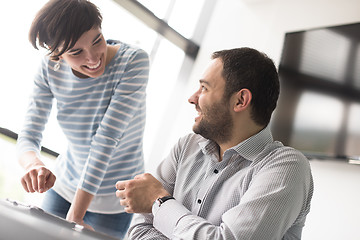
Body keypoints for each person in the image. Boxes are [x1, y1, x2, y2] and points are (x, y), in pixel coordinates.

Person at [115, 47, 314, 239]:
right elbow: (140, 228)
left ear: (240, 100)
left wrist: (159, 202)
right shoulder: (186, 146)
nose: (192, 98)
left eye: (204, 88)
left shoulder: (287, 167)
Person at [16, 0, 149, 238]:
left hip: (115, 199)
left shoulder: (133, 62)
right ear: (57, 54)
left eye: (97, 40)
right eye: (76, 52)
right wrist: (33, 164)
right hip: (65, 188)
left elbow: (106, 139)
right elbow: (29, 133)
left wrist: (76, 216)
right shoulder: (50, 69)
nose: (93, 58)